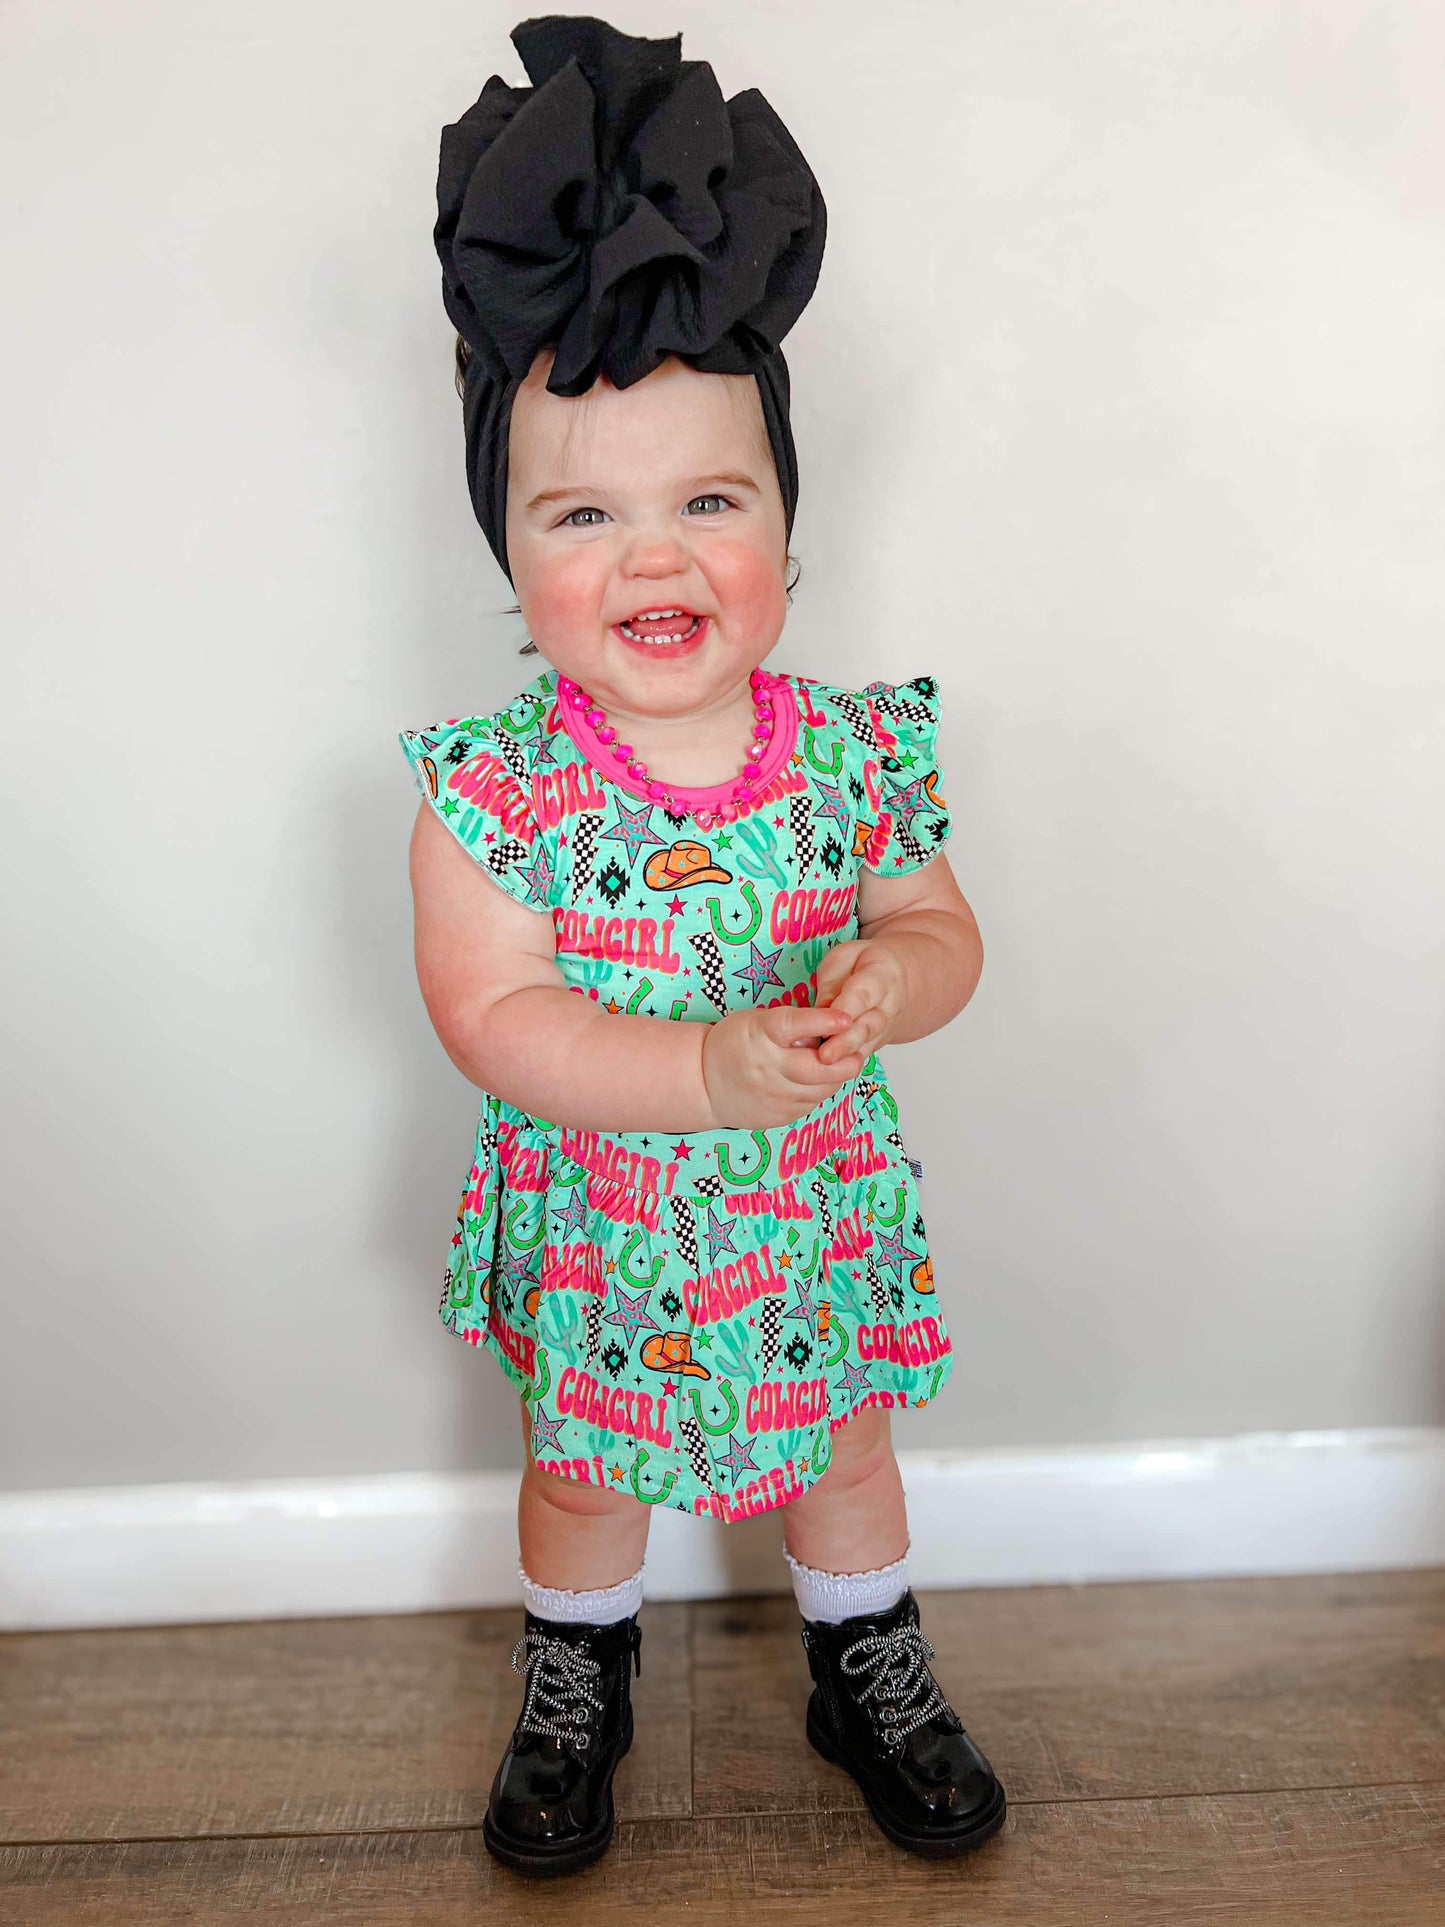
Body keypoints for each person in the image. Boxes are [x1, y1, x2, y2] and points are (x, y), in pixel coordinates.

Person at [400, 14, 1006, 1876]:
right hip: (606, 1229)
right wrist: (699, 1068)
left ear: (785, 528)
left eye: (708, 503)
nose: (651, 557)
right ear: (512, 552)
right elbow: (490, 1014)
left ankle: (864, 1661)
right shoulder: (494, 791)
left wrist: (896, 978)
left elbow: (936, 924)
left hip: (807, 1216)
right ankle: (574, 1676)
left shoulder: (851, 753)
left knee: (843, 1448)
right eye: (583, 513)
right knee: (586, 1473)